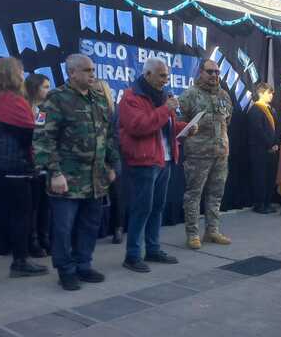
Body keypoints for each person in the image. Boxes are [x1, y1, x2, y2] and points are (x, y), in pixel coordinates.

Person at [33, 54, 119, 291]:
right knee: (63, 228)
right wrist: (54, 172)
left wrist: (112, 165)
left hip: (95, 179)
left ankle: (84, 264)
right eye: (87, 70)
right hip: (67, 180)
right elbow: (42, 139)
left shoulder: (99, 99)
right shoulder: (55, 100)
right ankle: (66, 270)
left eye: (93, 70)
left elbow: (109, 135)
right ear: (72, 73)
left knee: (90, 225)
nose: (93, 74)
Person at [0, 57, 49, 279]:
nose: (23, 76)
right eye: (21, 72)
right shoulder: (14, 101)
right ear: (14, 74)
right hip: (13, 167)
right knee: (21, 215)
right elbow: (30, 136)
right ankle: (20, 261)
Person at [119, 58, 190, 273]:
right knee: (142, 209)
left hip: (164, 160)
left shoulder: (163, 97)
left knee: (157, 207)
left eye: (167, 76)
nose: (165, 80)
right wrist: (164, 110)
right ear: (148, 75)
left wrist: (184, 128)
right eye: (161, 76)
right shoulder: (131, 97)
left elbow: (165, 127)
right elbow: (139, 126)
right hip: (143, 162)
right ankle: (132, 255)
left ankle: (153, 249)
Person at [179, 59, 233, 249]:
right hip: (197, 155)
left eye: (217, 72)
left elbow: (228, 120)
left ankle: (212, 231)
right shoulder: (189, 96)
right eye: (210, 72)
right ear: (200, 72)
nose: (214, 76)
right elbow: (179, 124)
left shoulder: (224, 96)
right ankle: (192, 234)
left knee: (216, 194)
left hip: (220, 153)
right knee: (193, 195)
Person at [93, 80, 125, 246]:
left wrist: (110, 162)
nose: (97, 93)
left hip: (112, 155)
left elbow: (116, 135)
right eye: (94, 90)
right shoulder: (87, 108)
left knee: (117, 193)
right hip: (93, 156)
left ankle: (118, 228)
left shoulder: (115, 109)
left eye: (99, 90)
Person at [25, 74, 51, 256]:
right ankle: (32, 241)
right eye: (45, 87)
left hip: (45, 163)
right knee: (32, 206)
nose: (48, 90)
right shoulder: (24, 108)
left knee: (45, 204)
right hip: (28, 163)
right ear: (35, 88)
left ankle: (45, 237)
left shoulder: (44, 109)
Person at [247, 83, 278, 214]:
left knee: (269, 177)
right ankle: (259, 204)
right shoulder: (255, 109)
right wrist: (270, 144)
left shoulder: (271, 109)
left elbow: (275, 129)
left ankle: (267, 202)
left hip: (271, 149)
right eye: (269, 93)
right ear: (261, 93)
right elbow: (258, 131)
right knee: (260, 178)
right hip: (259, 150)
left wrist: (275, 144)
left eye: (272, 93)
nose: (271, 95)